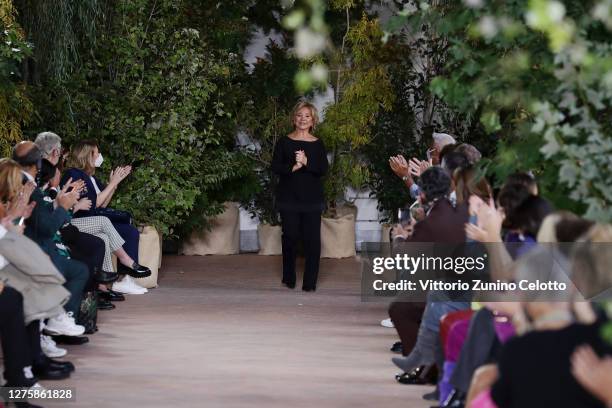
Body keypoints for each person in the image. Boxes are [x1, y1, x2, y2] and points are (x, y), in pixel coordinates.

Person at [62, 139, 150, 293]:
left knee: (105, 236)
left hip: (92, 220)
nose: (99, 156)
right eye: (96, 153)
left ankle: (105, 286)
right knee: (105, 222)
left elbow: (103, 203)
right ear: (87, 155)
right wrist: (112, 183)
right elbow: (94, 203)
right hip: (78, 220)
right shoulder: (74, 174)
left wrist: (114, 184)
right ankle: (126, 261)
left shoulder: (91, 177)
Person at [271, 101, 328, 292]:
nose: (303, 119)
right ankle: (289, 277)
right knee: (290, 238)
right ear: (294, 119)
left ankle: (310, 282)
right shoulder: (284, 142)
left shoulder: (318, 144)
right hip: (289, 199)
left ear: (313, 121)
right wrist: (293, 167)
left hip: (312, 200)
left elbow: (323, 170)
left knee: (312, 241)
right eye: (299, 115)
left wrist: (306, 162)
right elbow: (275, 167)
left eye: (307, 116)